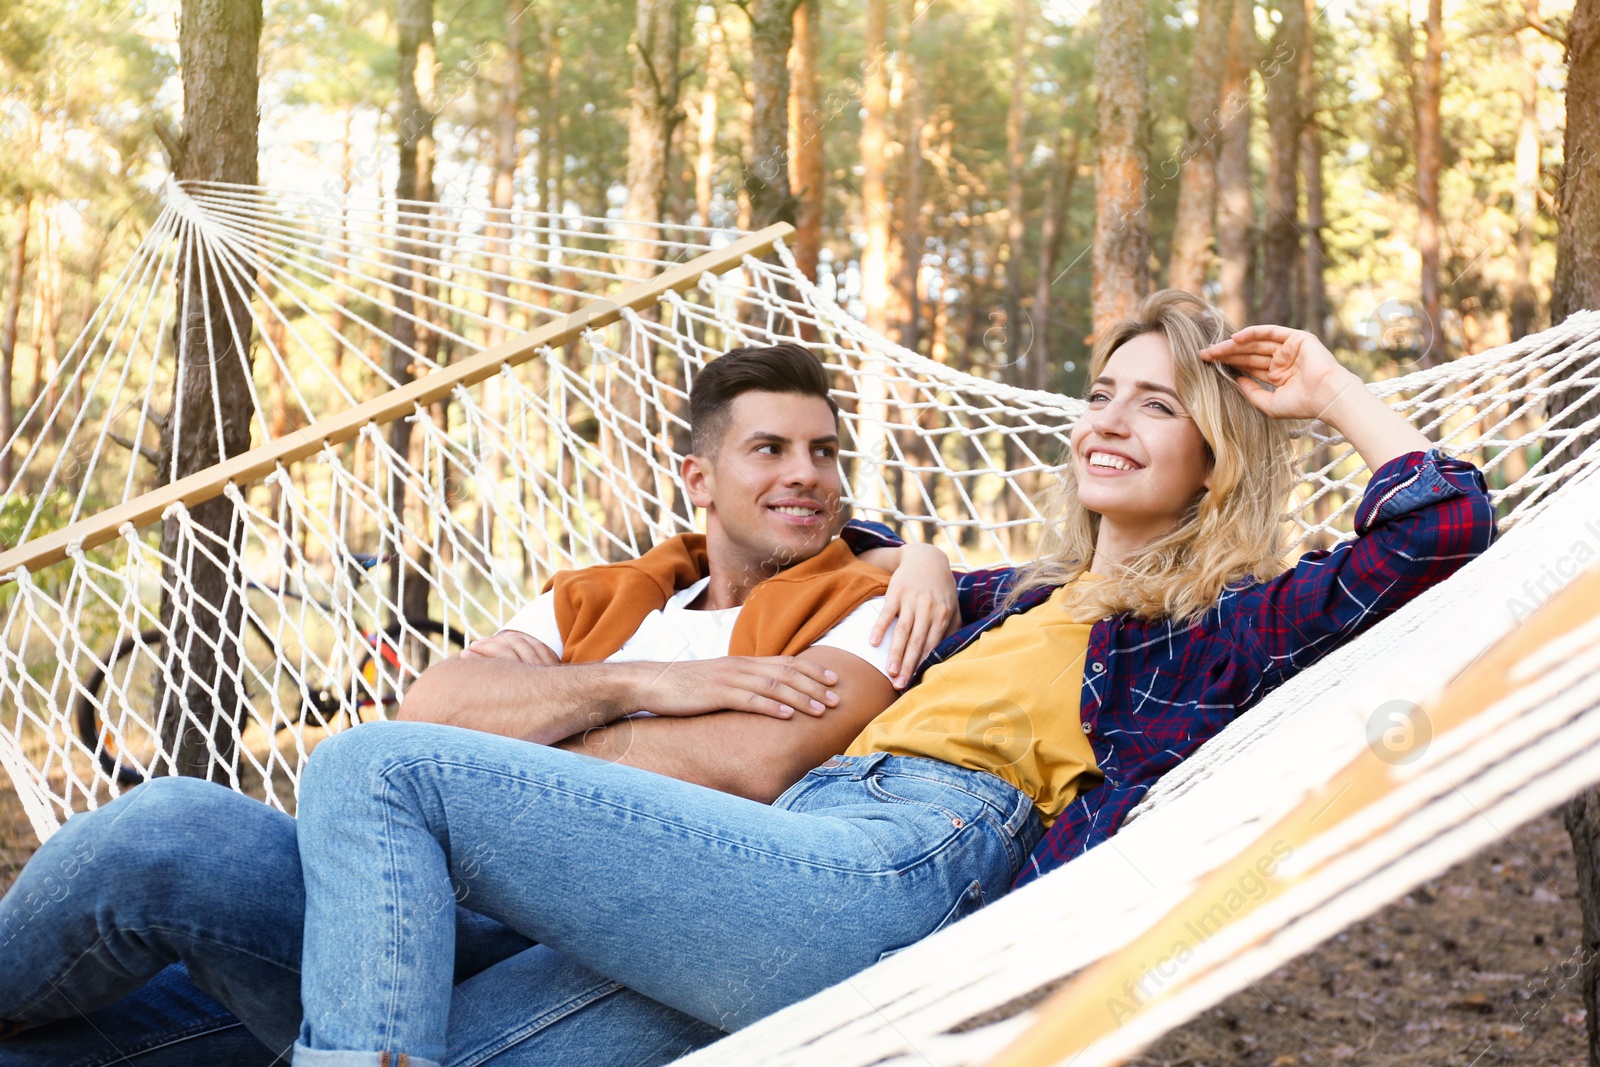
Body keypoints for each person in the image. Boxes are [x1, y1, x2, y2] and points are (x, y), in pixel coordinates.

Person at [284, 290, 1496, 1067]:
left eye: (1158, 405)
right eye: (1099, 395)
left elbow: (1435, 533)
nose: (1107, 421)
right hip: (779, 870)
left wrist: (1329, 392)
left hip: (889, 874)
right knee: (452, 1047)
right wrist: (913, 549)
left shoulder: (1204, 627)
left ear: (1214, 460)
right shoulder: (999, 594)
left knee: (376, 768)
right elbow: (816, 522)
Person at [0, 342, 960, 1066]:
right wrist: (649, 684)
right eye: (771, 448)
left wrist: (518, 741)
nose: (807, 473)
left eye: (825, 452)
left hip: (591, 942)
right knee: (169, 826)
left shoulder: (875, 601)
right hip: (398, 900)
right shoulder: (600, 595)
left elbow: (756, 760)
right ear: (698, 479)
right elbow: (434, 710)